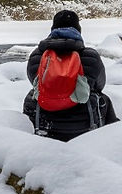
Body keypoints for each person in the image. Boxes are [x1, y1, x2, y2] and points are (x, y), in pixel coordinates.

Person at [23, 9, 117, 141]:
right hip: (84, 123)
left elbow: (34, 81)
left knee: (32, 94)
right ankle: (113, 136)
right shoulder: (91, 56)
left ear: (53, 29)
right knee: (103, 98)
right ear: (78, 30)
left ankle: (29, 133)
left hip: (45, 122)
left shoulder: (37, 56)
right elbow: (99, 85)